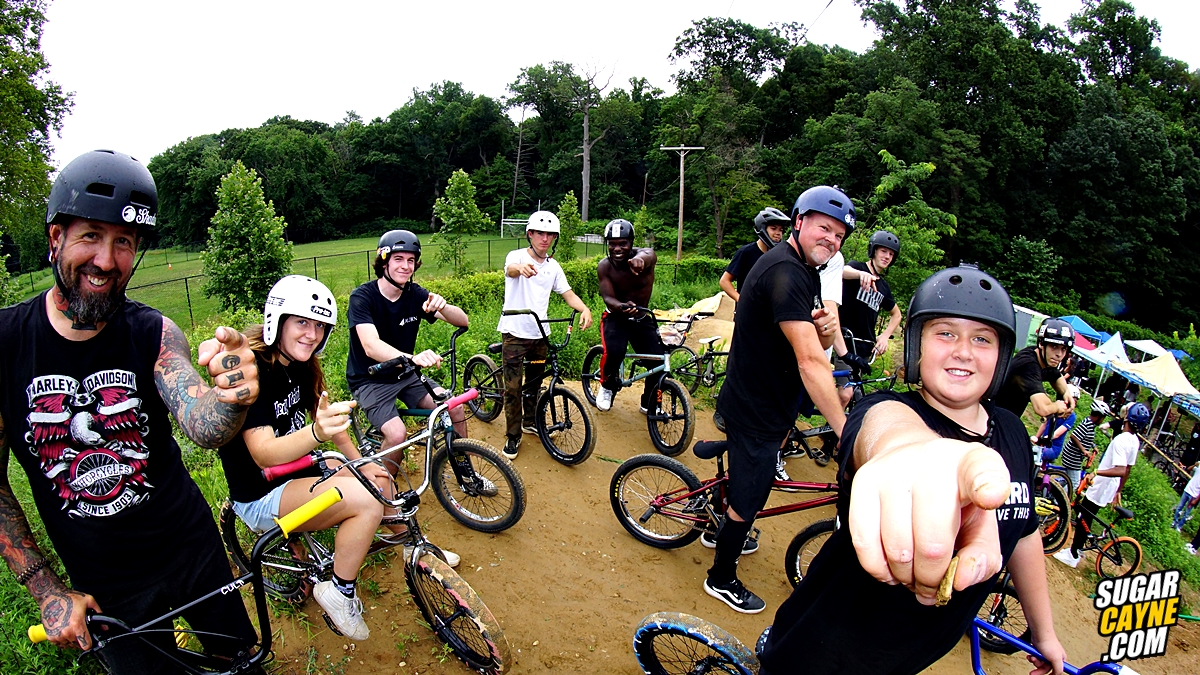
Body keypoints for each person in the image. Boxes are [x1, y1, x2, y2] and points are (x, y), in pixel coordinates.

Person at [0, 150, 261, 672]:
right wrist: (47, 591)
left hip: (191, 548)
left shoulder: (153, 332)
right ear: (57, 238)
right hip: (104, 584)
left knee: (241, 661)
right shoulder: (5, 344)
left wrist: (232, 397)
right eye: (91, 235)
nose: (106, 259)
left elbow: (202, 423)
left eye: (123, 242)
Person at [760, 265, 1066, 675]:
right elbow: (883, 434)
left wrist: (1043, 632)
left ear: (1002, 355)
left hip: (909, 658)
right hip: (821, 651)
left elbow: (1023, 532)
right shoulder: (885, 408)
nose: (963, 350)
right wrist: (912, 453)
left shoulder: (1010, 429)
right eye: (945, 332)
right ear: (916, 343)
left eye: (982, 338)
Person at [219, 275, 458, 642]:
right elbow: (264, 453)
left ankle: (413, 546)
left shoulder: (301, 363)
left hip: (301, 467)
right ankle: (338, 591)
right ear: (277, 320)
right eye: (302, 322)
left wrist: (360, 460)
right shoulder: (255, 372)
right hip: (261, 491)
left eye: (319, 325)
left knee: (378, 478)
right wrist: (316, 434)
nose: (312, 334)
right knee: (365, 504)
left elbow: (328, 419)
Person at [705, 185, 853, 614]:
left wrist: (824, 331)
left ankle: (717, 527)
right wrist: (846, 432)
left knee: (747, 482)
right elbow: (809, 362)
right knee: (750, 497)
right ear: (800, 222)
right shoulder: (786, 273)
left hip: (764, 398)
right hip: (757, 407)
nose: (832, 239)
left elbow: (800, 335)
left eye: (840, 236)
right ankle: (721, 577)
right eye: (825, 228)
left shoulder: (802, 268)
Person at [345, 230, 471, 456]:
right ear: (383, 262)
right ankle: (383, 487)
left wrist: (443, 306)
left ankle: (466, 469)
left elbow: (463, 320)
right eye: (398, 259)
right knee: (396, 435)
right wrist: (412, 358)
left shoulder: (415, 294)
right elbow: (370, 345)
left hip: (405, 373)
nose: (406, 266)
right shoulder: (362, 297)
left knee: (455, 408)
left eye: (411, 260)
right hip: (370, 379)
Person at [497, 211, 593, 459]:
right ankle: (512, 436)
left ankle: (530, 423)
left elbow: (568, 293)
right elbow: (510, 270)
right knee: (513, 388)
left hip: (540, 334)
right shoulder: (516, 257)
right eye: (540, 233)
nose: (545, 239)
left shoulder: (553, 267)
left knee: (534, 384)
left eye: (550, 234)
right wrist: (521, 268)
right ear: (530, 234)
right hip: (515, 333)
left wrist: (584, 309)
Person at [1053, 402, 1151, 568]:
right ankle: (1077, 550)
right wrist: (1119, 490)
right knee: (1087, 516)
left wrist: (1096, 472)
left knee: (1084, 516)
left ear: (1127, 417)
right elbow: (1128, 469)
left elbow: (1120, 470)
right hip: (1110, 486)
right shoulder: (1135, 441)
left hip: (1103, 484)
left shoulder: (1121, 440)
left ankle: (1073, 554)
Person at [595, 219, 660, 413]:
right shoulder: (604, 267)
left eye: (623, 243)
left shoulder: (646, 257)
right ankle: (607, 386)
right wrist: (621, 306)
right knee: (615, 351)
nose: (617, 248)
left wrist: (641, 260)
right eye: (612, 244)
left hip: (641, 318)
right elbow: (608, 297)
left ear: (631, 243)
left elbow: (648, 255)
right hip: (617, 317)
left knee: (657, 361)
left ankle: (648, 401)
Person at [838, 229, 902, 366]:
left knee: (856, 385)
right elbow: (841, 271)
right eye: (883, 251)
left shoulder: (884, 287)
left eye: (891, 254)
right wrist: (860, 275)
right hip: (844, 340)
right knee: (846, 385)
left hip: (865, 346)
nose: (887, 257)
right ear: (874, 251)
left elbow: (897, 314)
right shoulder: (857, 267)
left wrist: (884, 336)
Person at [994, 317, 1077, 419]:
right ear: (1041, 343)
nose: (1059, 354)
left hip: (1006, 417)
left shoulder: (1039, 356)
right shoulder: (1027, 365)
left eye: (1064, 349)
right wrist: (1057, 406)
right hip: (991, 417)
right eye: (1054, 346)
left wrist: (1066, 393)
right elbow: (1042, 408)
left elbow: (1055, 375)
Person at [718, 207, 789, 302]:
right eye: (773, 229)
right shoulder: (746, 252)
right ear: (762, 228)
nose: (778, 233)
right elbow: (724, 281)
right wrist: (741, 300)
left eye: (780, 230)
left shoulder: (779, 255)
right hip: (747, 314)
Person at [1061, 400, 1112, 490]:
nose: (1102, 420)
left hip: (1075, 457)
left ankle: (1056, 489)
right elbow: (1074, 436)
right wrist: (1083, 450)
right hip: (1072, 457)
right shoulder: (1087, 424)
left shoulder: (1091, 425)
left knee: (1067, 478)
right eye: (1103, 418)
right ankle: (1058, 500)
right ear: (1098, 416)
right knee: (1074, 483)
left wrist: (1093, 446)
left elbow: (1085, 437)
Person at [1171, 466, 1200, 532]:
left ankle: (1179, 526)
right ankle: (1174, 522)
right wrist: (1194, 465)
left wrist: (1196, 499)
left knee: (1187, 513)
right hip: (1187, 490)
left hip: (1194, 495)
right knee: (1179, 507)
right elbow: (1189, 469)